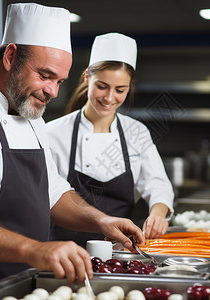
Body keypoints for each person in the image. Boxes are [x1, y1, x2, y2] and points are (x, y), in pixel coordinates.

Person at [0, 4, 144, 299]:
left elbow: (52, 191)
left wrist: (100, 220)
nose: (53, 92)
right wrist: (35, 249)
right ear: (10, 56)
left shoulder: (31, 116)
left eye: (59, 81)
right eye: (45, 75)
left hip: (19, 285)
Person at [46, 33, 174, 247]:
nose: (109, 98)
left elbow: (157, 184)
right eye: (102, 86)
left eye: (120, 90)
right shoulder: (54, 133)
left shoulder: (136, 132)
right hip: (63, 251)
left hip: (119, 252)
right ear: (87, 78)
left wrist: (158, 213)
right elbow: (49, 195)